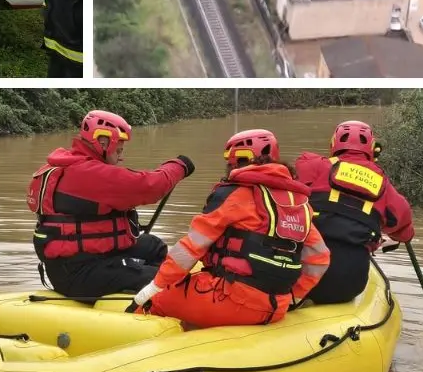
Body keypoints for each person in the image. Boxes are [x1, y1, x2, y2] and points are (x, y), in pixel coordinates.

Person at [131, 130, 331, 327]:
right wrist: (293, 298)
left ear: (235, 161)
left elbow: (190, 248)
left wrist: (154, 288)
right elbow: (320, 258)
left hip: (233, 300)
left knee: (154, 302)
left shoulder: (234, 194)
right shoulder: (299, 203)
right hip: (277, 307)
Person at [27, 110, 194, 299]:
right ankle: (156, 289)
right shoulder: (88, 174)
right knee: (166, 279)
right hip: (79, 273)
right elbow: (150, 187)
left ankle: (145, 291)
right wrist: (179, 165)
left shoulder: (67, 165)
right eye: (119, 150)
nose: (121, 157)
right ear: (103, 141)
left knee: (152, 245)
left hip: (80, 260)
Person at [296, 121, 415, 305]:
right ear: (372, 148)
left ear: (333, 144)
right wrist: (404, 234)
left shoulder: (313, 166)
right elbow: (403, 223)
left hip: (303, 277)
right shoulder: (384, 186)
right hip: (348, 283)